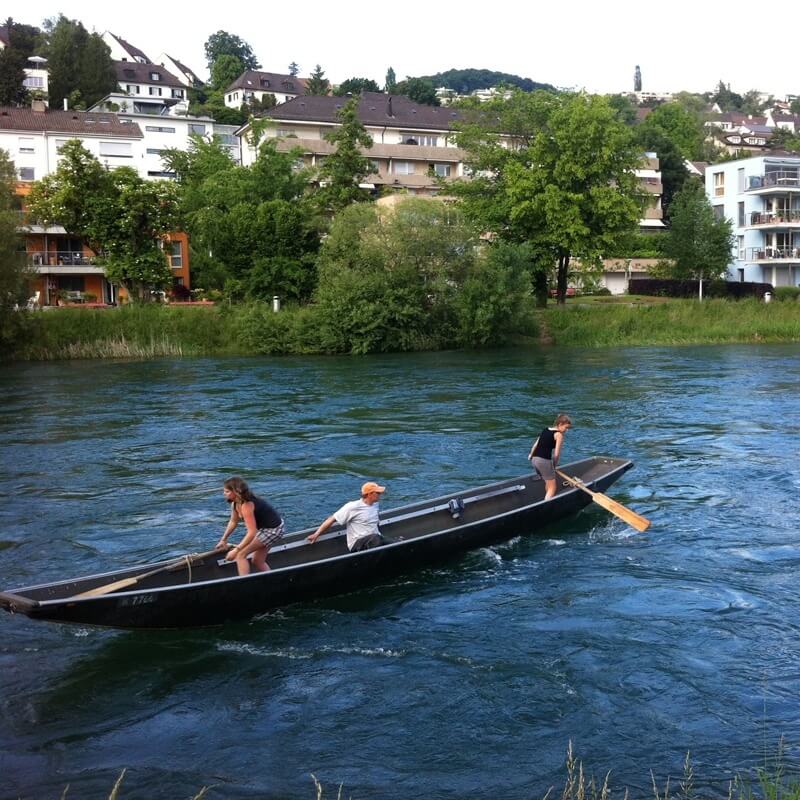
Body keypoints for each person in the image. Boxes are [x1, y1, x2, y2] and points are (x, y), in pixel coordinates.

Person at [216, 477, 285, 576]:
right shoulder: (235, 503)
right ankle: (273, 579)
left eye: (226, 491)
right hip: (264, 529)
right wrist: (224, 539)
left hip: (273, 530)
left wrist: (236, 549)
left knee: (240, 555)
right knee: (257, 561)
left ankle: (243, 583)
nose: (224, 493)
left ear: (236, 492)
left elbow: (252, 532)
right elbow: (233, 521)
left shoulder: (247, 505)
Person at [307, 482, 386, 552]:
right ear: (369, 494)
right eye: (378, 493)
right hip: (357, 543)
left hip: (375, 539)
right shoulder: (352, 507)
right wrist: (316, 534)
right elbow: (332, 519)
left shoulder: (375, 505)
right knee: (376, 538)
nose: (380, 495)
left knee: (392, 542)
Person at [528, 414, 573, 500]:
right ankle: (546, 505)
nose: (567, 430)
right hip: (544, 461)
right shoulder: (559, 435)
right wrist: (554, 466)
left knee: (548, 483)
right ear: (560, 424)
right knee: (552, 487)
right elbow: (556, 454)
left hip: (534, 460)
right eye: (566, 427)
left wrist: (530, 454)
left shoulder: (545, 430)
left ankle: (546, 498)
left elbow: (535, 445)